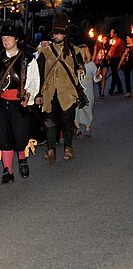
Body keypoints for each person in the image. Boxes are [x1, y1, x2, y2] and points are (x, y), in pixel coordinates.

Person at [0, 24, 39, 184]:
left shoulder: (28, 59)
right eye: (4, 38)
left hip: (20, 103)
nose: (6, 40)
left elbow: (33, 81)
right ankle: (8, 171)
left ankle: (22, 160)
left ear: (16, 39)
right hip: (2, 103)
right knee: (4, 137)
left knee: (20, 136)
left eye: (9, 37)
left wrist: (29, 95)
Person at [37, 12, 85, 163]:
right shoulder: (44, 51)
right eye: (55, 33)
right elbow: (38, 73)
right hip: (49, 92)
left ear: (65, 35)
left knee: (67, 122)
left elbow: (80, 65)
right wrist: (38, 94)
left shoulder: (73, 50)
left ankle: (68, 147)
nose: (56, 36)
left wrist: (80, 69)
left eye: (60, 33)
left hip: (68, 92)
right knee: (49, 122)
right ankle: (51, 150)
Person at [75, 44, 98, 137]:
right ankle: (77, 128)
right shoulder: (75, 64)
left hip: (88, 89)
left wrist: (97, 75)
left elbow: (96, 78)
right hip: (77, 89)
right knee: (77, 108)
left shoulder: (91, 64)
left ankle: (87, 128)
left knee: (87, 107)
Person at [107, 28, 125, 95]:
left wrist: (122, 60)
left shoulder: (119, 40)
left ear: (115, 34)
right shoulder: (111, 40)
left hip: (117, 58)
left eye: (111, 32)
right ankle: (120, 88)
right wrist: (108, 58)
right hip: (112, 59)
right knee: (115, 74)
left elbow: (121, 49)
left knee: (114, 74)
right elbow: (110, 50)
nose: (110, 33)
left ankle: (111, 89)